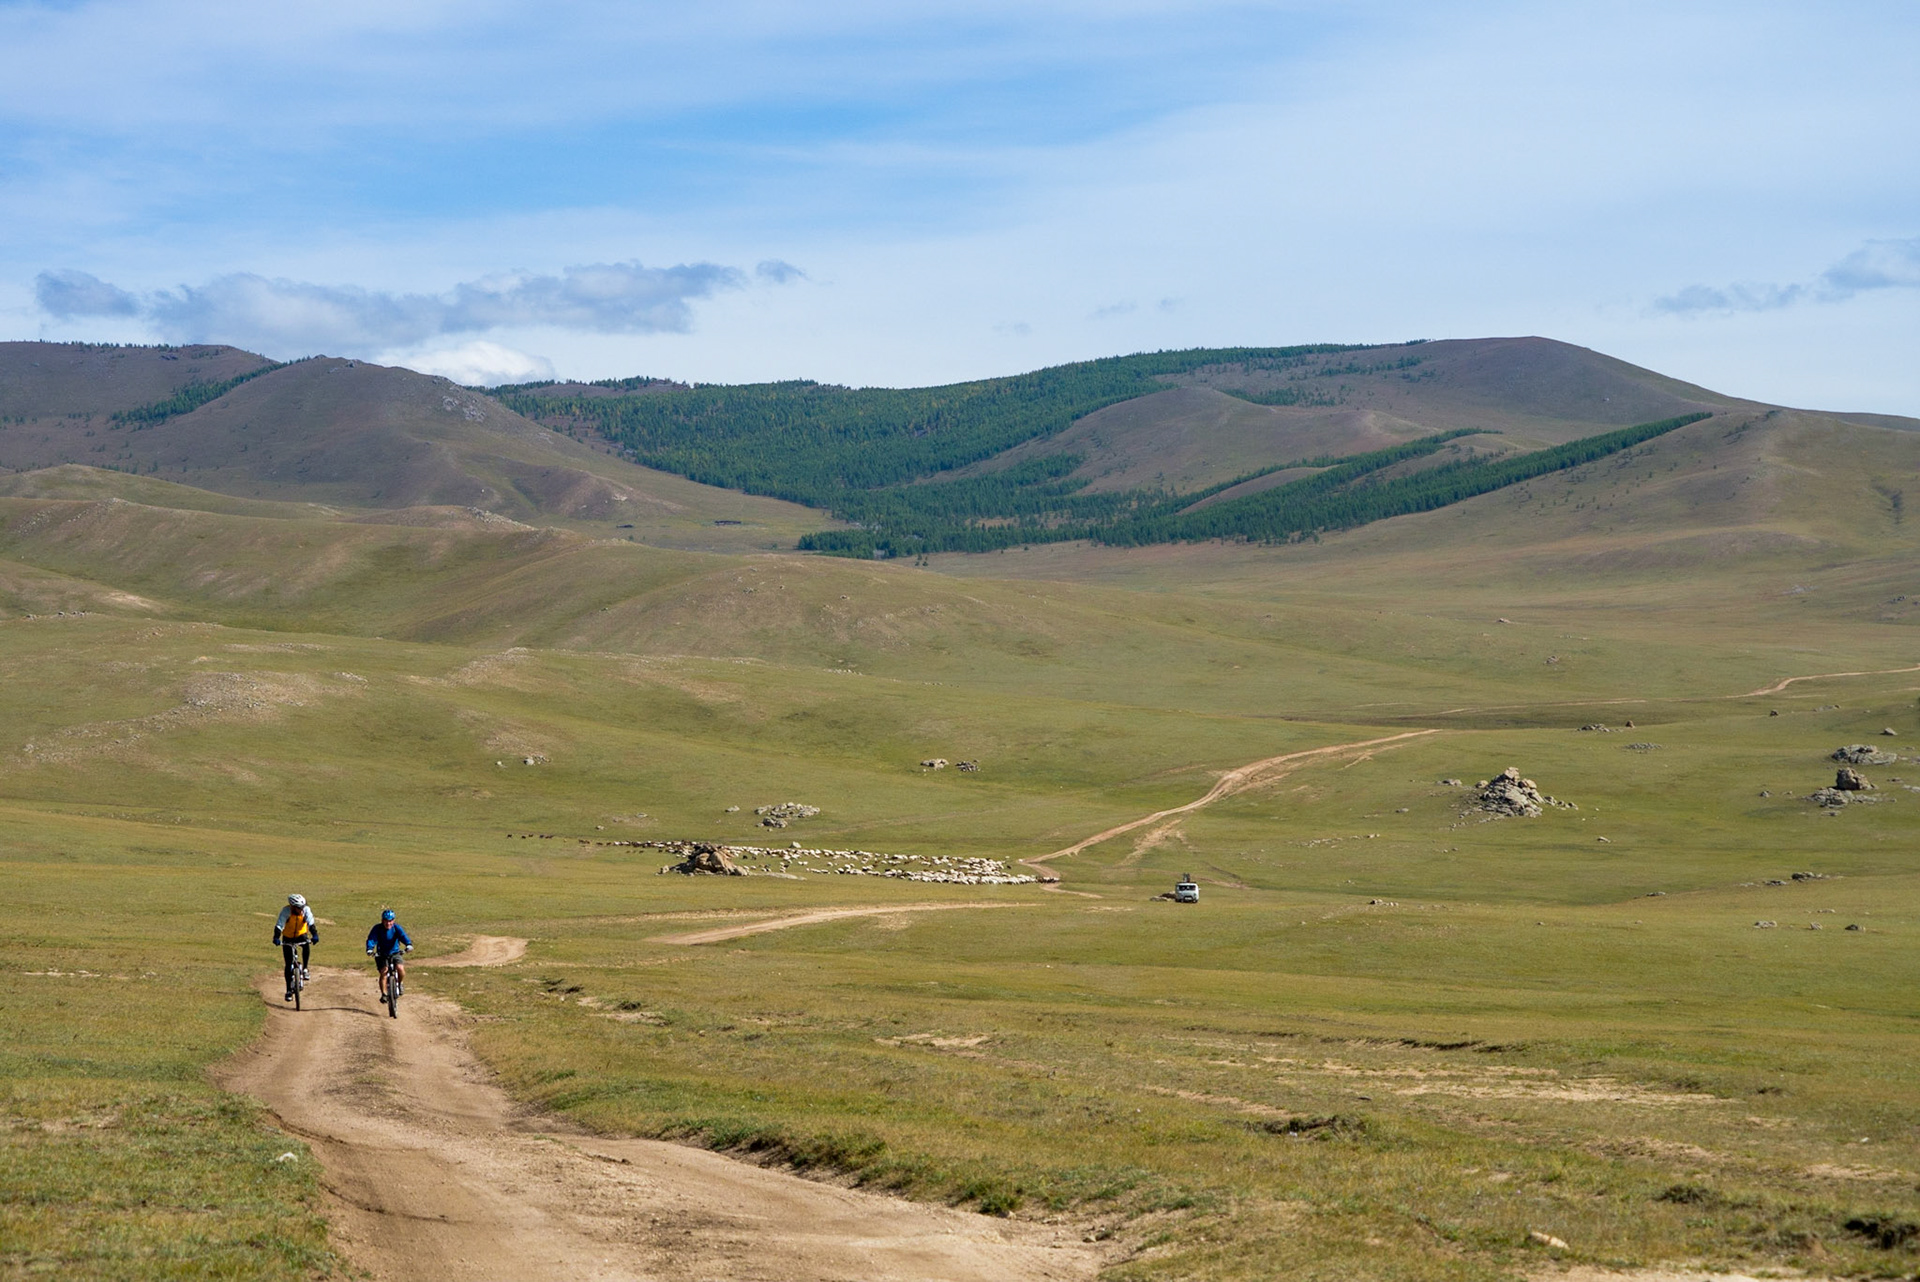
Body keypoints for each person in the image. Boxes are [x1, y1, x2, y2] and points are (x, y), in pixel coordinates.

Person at [273, 893, 319, 1001]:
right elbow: (279, 925)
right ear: (292, 906)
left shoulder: (306, 910)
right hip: (287, 937)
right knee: (288, 964)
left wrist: (315, 935)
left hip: (301, 935)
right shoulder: (286, 911)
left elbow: (311, 923)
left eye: (302, 907)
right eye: (299, 908)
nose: (301, 910)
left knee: (306, 945)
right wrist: (276, 937)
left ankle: (306, 968)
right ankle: (288, 990)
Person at [366, 909, 413, 1001]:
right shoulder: (377, 928)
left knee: (400, 968)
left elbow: (403, 936)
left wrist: (408, 944)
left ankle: (400, 983)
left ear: (393, 920)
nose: (388, 923)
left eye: (390, 921)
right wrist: (369, 949)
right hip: (381, 954)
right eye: (386, 921)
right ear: (382, 920)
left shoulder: (396, 928)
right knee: (384, 972)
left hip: (395, 953)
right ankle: (384, 994)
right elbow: (372, 939)